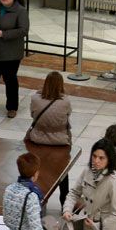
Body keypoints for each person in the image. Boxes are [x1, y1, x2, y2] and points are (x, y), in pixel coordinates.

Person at [28, 71, 72, 207]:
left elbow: (32, 115)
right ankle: (64, 201)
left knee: (38, 171)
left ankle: (38, 200)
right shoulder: (65, 102)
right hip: (59, 142)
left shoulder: (35, 99)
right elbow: (67, 116)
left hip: (38, 141)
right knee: (63, 171)